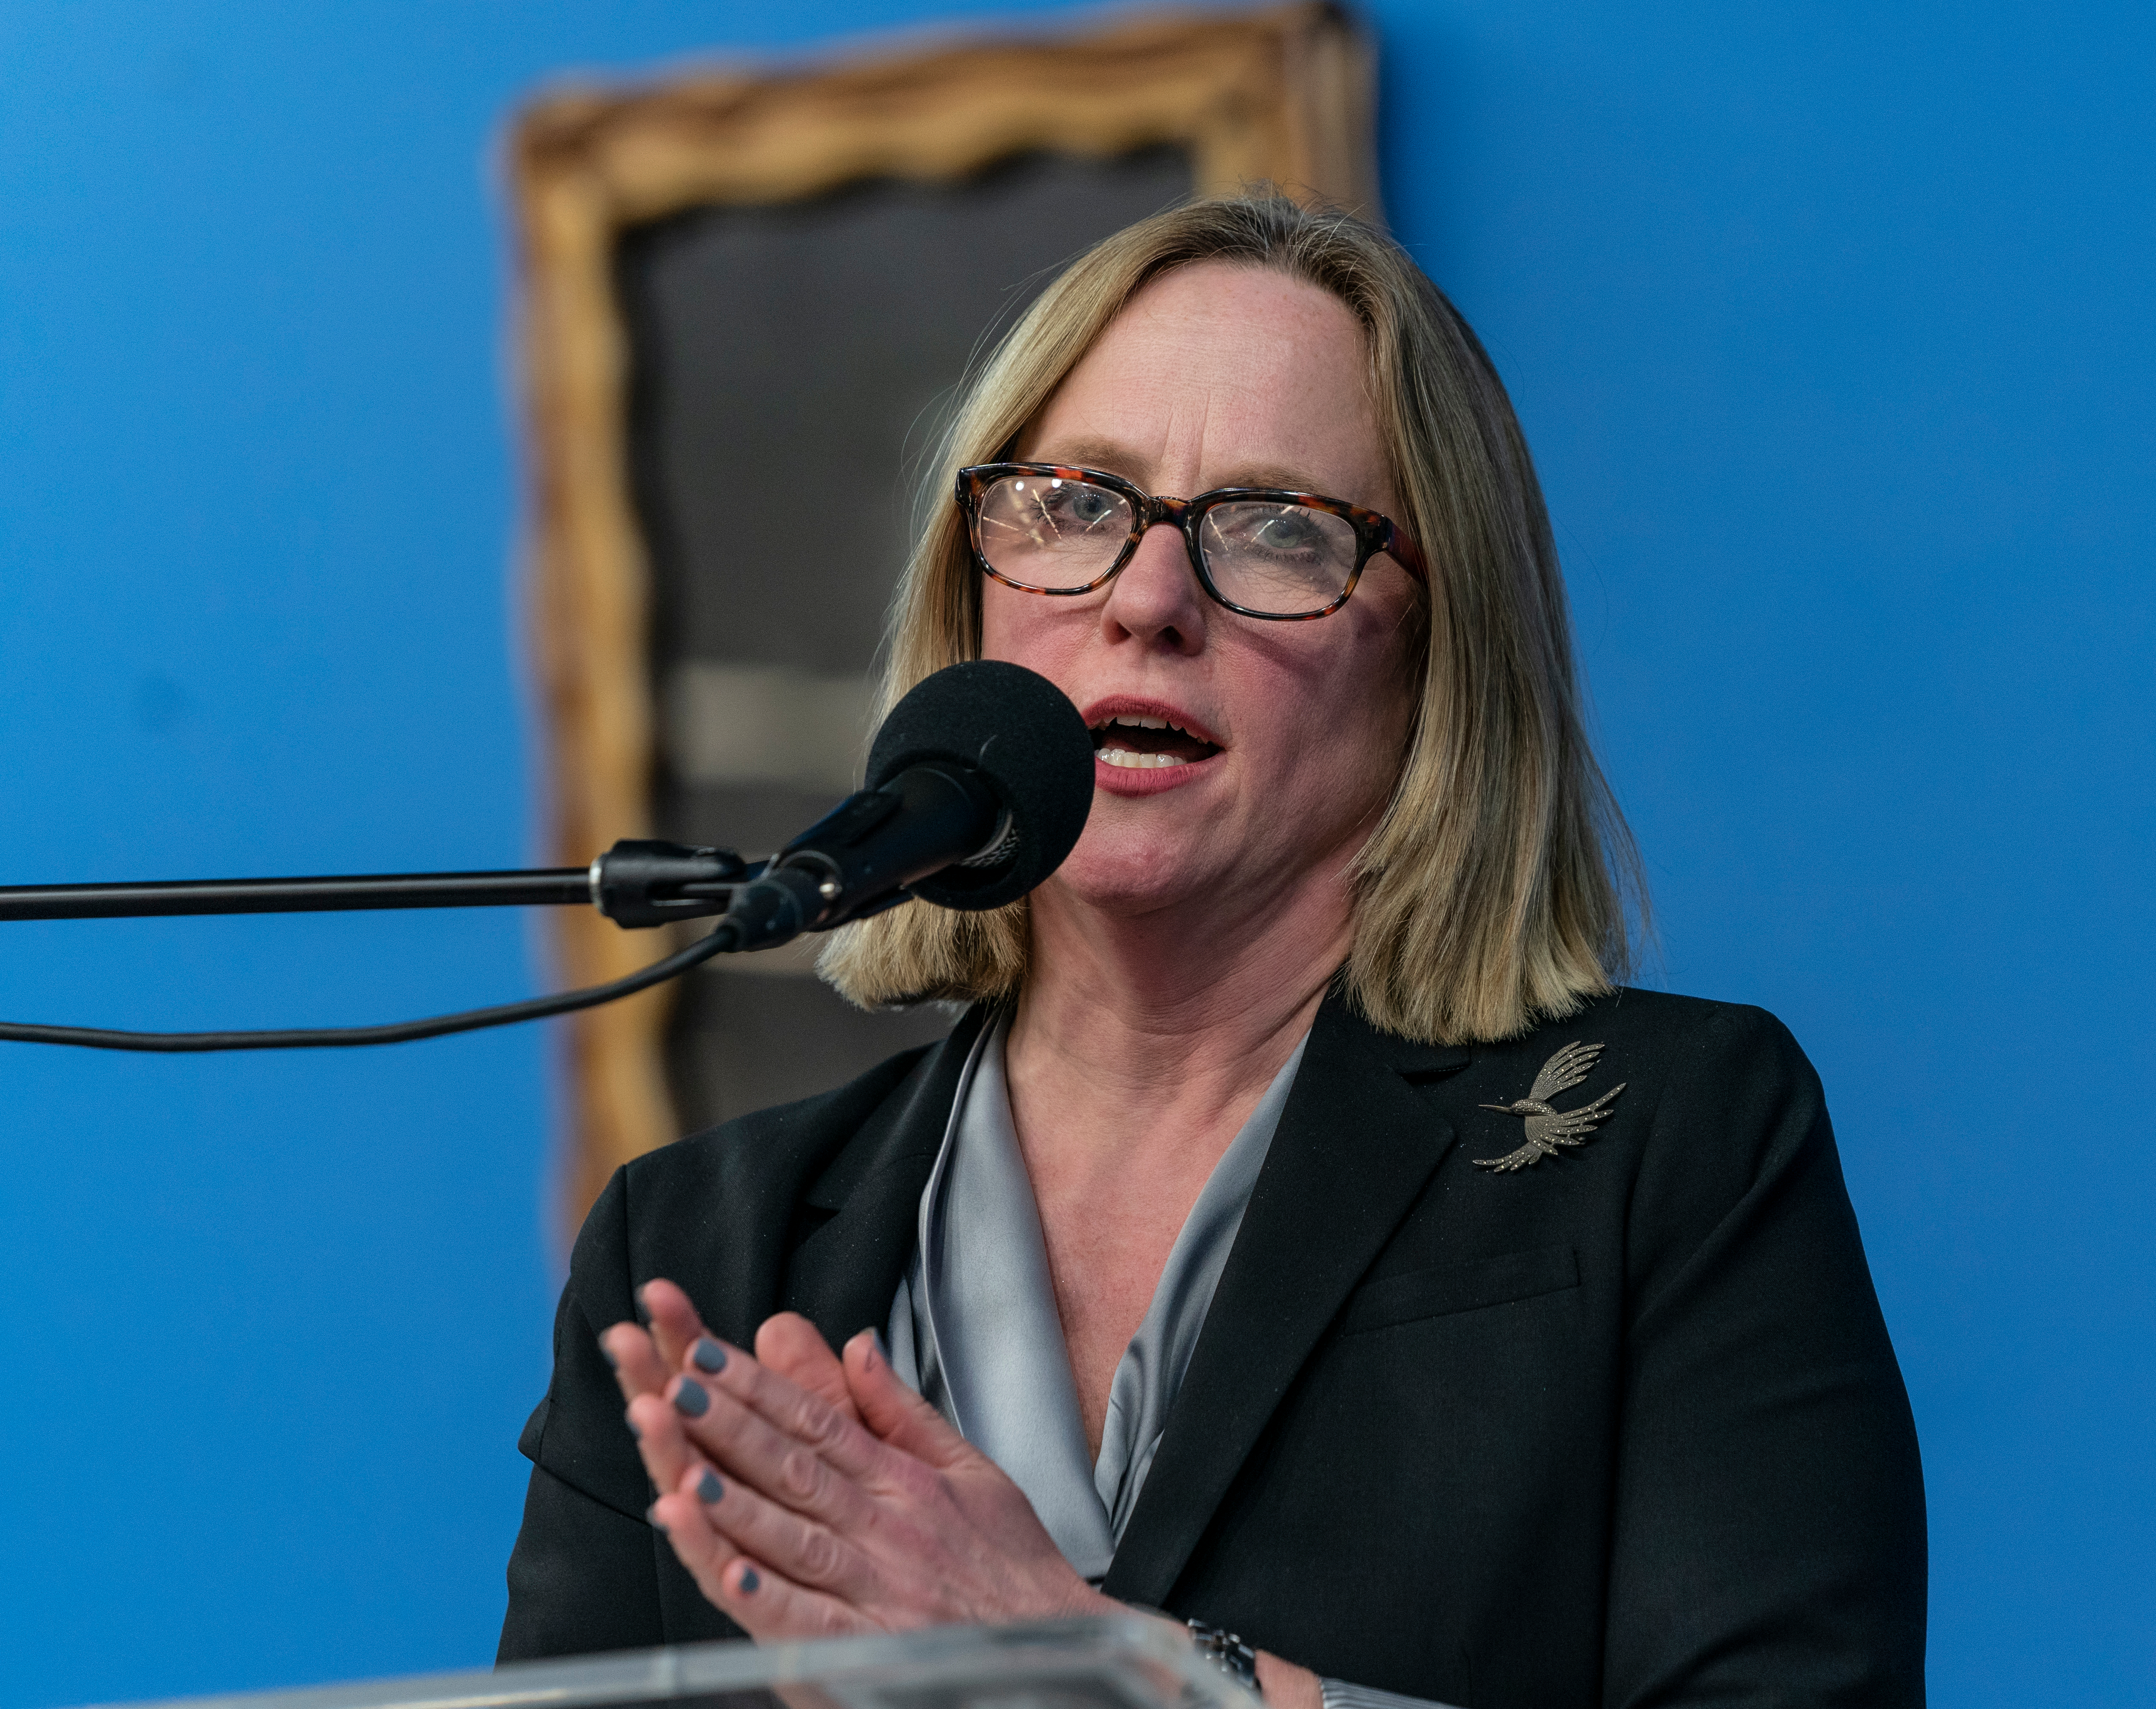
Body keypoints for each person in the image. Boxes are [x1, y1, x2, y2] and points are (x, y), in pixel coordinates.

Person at [497, 195, 1927, 1708]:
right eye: (1074, 504)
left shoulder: (1672, 1144)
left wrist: (1117, 1676)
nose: (1147, 599)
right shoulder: (699, 1252)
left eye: (1279, 530)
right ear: (971, 591)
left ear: (1438, 665)